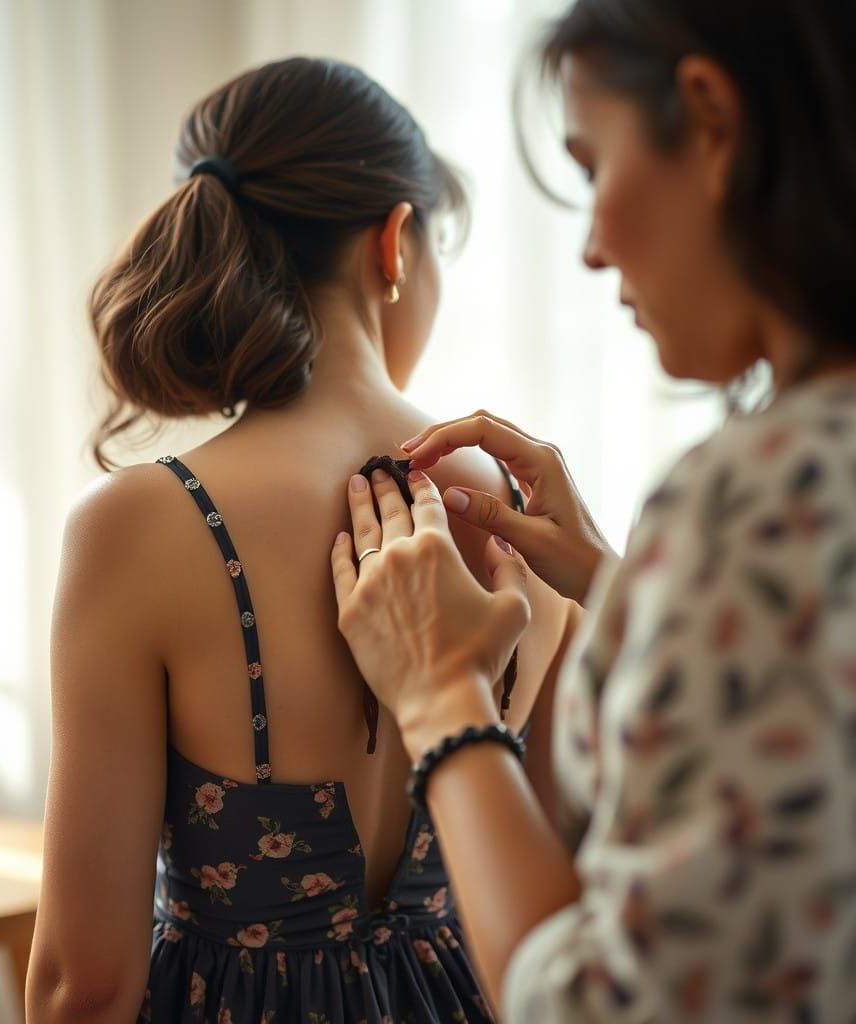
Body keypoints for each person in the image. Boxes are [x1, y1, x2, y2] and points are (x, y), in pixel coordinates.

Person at [330, 1, 856, 1021]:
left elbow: (607, 1005)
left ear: (709, 123)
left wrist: (442, 693)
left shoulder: (757, 498)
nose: (590, 250)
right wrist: (626, 588)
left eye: (591, 168)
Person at [25, 57, 577, 1023]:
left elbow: (87, 986)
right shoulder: (529, 512)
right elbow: (564, 899)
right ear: (396, 242)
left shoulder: (135, 528)